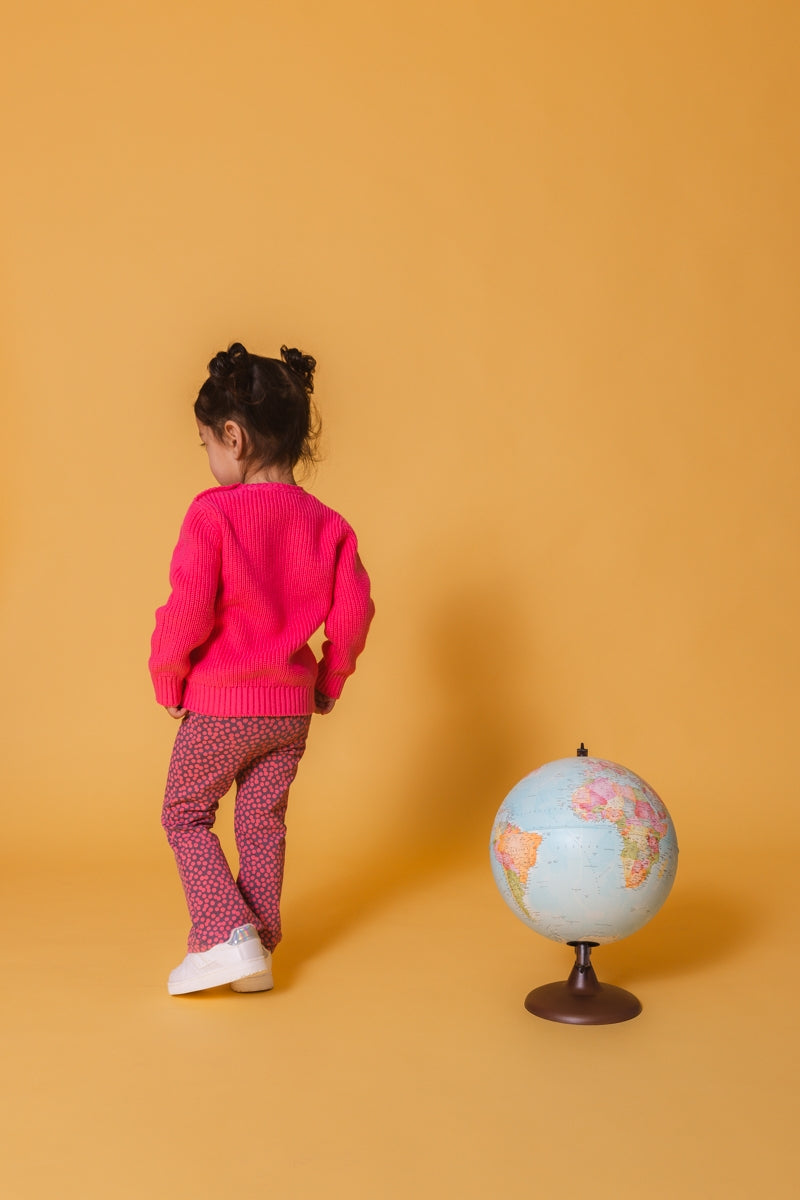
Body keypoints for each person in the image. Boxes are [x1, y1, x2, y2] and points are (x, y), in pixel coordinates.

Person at [149, 342, 374, 996]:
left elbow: (188, 607)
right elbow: (354, 613)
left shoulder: (213, 513)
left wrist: (168, 673)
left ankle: (224, 935)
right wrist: (330, 679)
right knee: (262, 822)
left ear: (233, 436)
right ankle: (259, 951)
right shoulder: (330, 525)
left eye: (206, 444)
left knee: (184, 814)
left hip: (222, 705)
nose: (208, 457)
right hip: (289, 713)